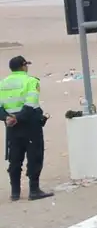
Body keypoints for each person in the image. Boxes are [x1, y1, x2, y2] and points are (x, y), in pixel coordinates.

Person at [1, 56, 53, 200]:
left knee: (15, 158)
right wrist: (18, 118)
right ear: (24, 66)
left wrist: (7, 118)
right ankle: (34, 190)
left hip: (11, 126)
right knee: (34, 156)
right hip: (30, 124)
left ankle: (15, 192)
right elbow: (30, 105)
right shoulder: (31, 81)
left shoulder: (2, 84)